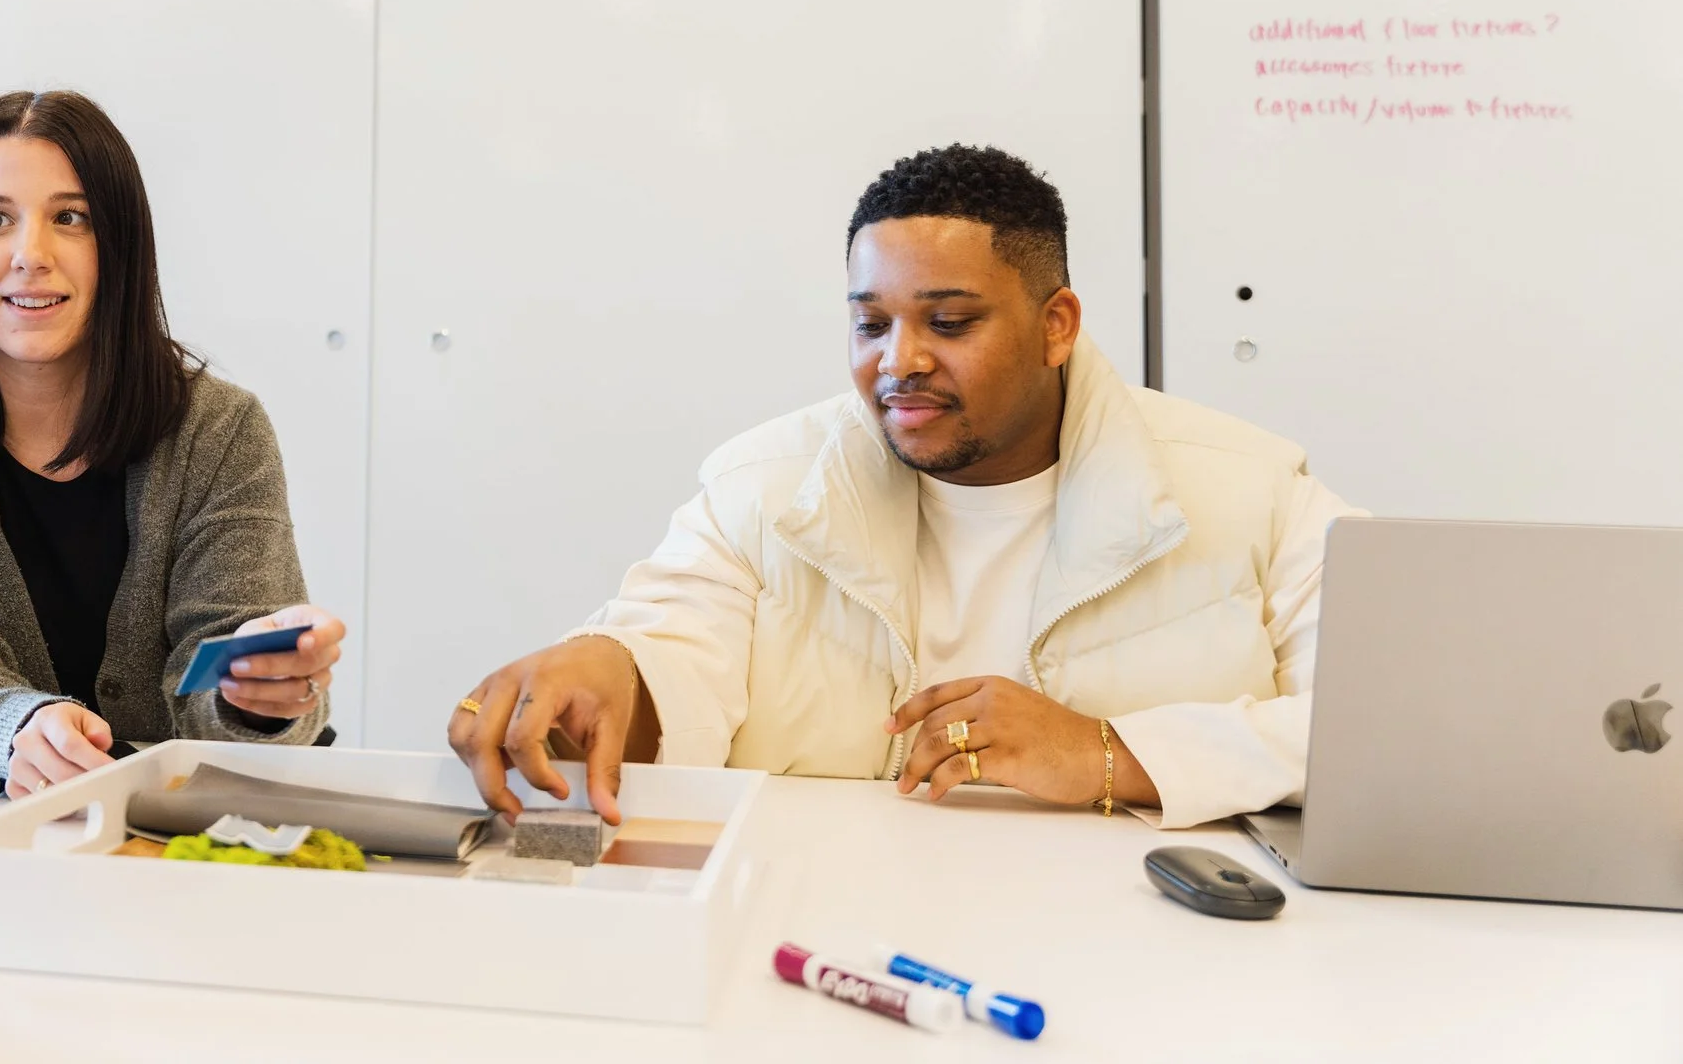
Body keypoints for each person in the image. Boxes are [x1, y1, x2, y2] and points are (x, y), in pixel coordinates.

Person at [450, 144, 1359, 831]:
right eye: (871, 323)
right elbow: (673, 649)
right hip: (829, 940)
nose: (901, 362)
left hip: (1155, 961)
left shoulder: (1256, 493)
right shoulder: (762, 487)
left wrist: (1107, 754)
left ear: (1056, 325)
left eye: (950, 322)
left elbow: (1391, 735)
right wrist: (609, 672)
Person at [0, 89, 343, 798]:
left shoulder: (220, 426)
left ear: (118, 245)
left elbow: (224, 669)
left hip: (171, 833)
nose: (31, 255)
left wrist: (258, 693)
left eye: (71, 218)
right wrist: (20, 727)